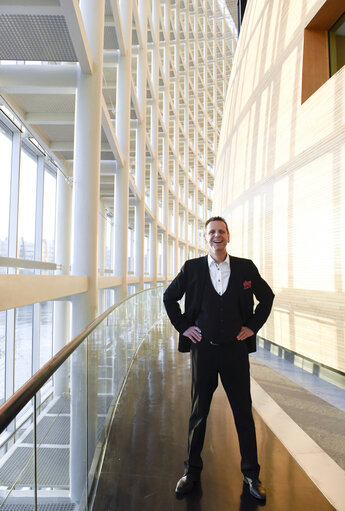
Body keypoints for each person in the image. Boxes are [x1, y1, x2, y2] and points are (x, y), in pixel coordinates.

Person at [163, 216, 274, 500]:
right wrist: (184, 328)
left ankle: (252, 475)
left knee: (243, 414)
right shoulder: (192, 269)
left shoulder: (245, 268)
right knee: (199, 414)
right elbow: (169, 297)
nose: (217, 236)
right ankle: (191, 472)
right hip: (205, 352)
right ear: (205, 237)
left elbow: (267, 297)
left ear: (228, 236)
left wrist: (252, 326)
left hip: (235, 353)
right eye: (212, 232)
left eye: (221, 231)